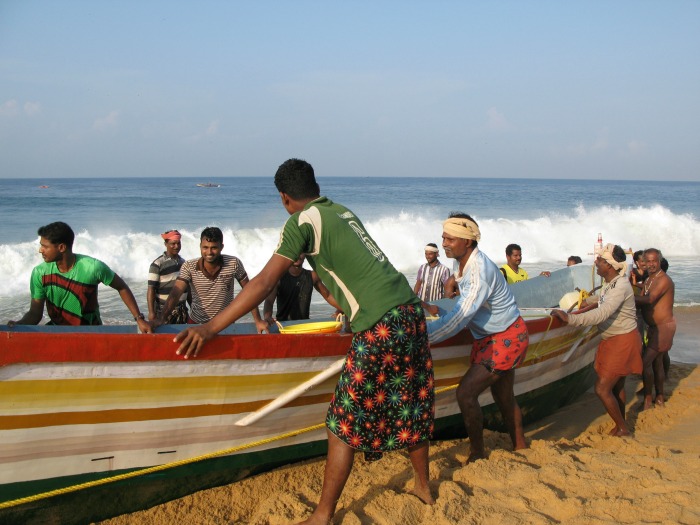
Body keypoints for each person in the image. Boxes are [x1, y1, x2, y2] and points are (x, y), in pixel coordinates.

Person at [172, 159, 435, 523]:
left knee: (341, 423)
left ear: (284, 198)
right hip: (409, 314)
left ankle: (323, 514)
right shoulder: (342, 212)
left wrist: (209, 328)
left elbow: (264, 282)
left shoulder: (301, 221)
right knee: (411, 403)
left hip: (380, 325)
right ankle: (424, 487)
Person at [427, 213, 529, 463]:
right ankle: (521, 446)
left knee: (465, 394)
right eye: (443, 238)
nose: (444, 244)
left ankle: (477, 454)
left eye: (450, 239)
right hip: (492, 335)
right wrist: (453, 280)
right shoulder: (460, 260)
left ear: (468, 242)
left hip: (506, 337)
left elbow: (459, 318)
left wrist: (423, 336)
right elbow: (461, 278)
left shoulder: (479, 271)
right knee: (503, 396)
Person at [550, 244, 642, 436]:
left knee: (601, 388)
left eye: (599, 260)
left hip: (623, 340)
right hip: (613, 338)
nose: (596, 263)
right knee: (616, 386)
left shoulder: (621, 285)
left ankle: (623, 429)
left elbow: (602, 313)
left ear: (609, 265)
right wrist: (585, 303)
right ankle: (620, 423)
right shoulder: (612, 283)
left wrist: (571, 319)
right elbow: (601, 298)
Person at [7, 221, 151, 333]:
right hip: (57, 333)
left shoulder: (92, 267)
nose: (40, 250)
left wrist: (139, 319)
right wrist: (19, 325)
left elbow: (121, 287)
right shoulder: (40, 273)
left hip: (92, 332)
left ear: (62, 248)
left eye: (45, 246)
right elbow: (35, 313)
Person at [152, 227, 267, 332]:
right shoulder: (189, 266)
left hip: (225, 324)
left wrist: (258, 320)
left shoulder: (233, 263)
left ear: (221, 247)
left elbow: (249, 291)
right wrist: (161, 318)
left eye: (214, 248)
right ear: (200, 246)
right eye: (205, 247)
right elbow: (176, 293)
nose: (209, 252)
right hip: (197, 323)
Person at [635, 248, 675, 409]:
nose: (651, 264)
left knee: (644, 363)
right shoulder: (649, 279)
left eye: (654, 261)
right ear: (643, 262)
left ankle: (647, 400)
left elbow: (649, 300)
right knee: (656, 363)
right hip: (653, 327)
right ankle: (659, 396)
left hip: (663, 328)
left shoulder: (664, 280)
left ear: (659, 261)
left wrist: (625, 296)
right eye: (648, 261)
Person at [262, 254, 338, 323]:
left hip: (304, 325)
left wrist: (341, 310)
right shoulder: (279, 278)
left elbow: (328, 295)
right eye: (294, 252)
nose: (297, 255)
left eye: (300, 252)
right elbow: (269, 302)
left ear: (305, 255)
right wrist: (267, 317)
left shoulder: (312, 276)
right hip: (283, 326)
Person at [147, 229, 189, 324]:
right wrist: (151, 313)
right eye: (173, 244)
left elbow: (188, 288)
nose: (176, 246)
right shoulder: (157, 264)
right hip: (163, 312)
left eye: (178, 243)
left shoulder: (184, 263)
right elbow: (151, 289)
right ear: (166, 244)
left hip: (182, 311)